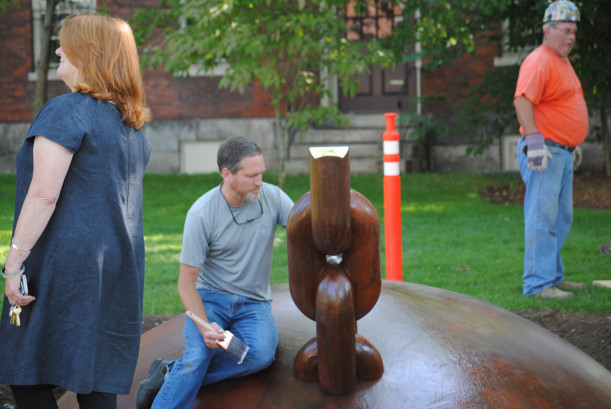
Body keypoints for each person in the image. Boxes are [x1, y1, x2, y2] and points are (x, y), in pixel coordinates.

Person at [0, 13, 151, 409]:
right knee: (96, 381)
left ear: (89, 53)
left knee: (26, 371)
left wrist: (14, 264)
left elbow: (43, 195)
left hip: (65, 264)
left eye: (64, 43)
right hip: (119, 264)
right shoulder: (129, 124)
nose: (56, 49)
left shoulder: (66, 111)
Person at [136, 136, 294, 409]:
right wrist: (204, 326)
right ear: (227, 174)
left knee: (259, 355)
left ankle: (168, 374)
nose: (260, 182)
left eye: (262, 173)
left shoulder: (272, 197)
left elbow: (305, 227)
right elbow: (186, 282)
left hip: (254, 302)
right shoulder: (202, 213)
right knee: (197, 358)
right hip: (211, 298)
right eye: (251, 175)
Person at [514, 0, 588, 299]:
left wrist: (571, 143)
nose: (571, 37)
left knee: (560, 218)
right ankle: (537, 284)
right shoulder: (540, 60)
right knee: (541, 218)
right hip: (544, 152)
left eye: (574, 32)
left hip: (561, 152)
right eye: (566, 31)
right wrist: (535, 143)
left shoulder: (561, 61)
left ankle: (553, 276)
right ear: (549, 30)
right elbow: (522, 100)